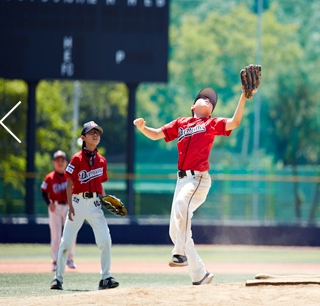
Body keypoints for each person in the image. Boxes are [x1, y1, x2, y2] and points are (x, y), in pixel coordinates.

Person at [133, 86, 255, 285]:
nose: (208, 100)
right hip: (181, 181)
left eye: (211, 101)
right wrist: (142, 128)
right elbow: (156, 134)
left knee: (182, 207)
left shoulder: (211, 123)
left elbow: (235, 122)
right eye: (204, 98)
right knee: (176, 230)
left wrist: (243, 96)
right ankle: (200, 274)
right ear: (193, 105)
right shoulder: (181, 123)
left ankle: (179, 253)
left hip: (198, 179)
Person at [50, 121, 119, 291]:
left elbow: (100, 184)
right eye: (91, 132)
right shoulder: (76, 158)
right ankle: (57, 279)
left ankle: (105, 278)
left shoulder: (102, 161)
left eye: (98, 132)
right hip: (78, 203)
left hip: (95, 204)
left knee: (105, 240)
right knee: (66, 242)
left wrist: (105, 199)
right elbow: (69, 183)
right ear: (83, 137)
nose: (95, 135)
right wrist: (70, 206)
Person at [40, 150, 77, 271]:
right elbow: (44, 192)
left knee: (71, 233)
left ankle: (69, 259)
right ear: (53, 162)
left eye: (62, 160)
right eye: (58, 160)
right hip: (55, 207)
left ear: (66, 162)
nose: (60, 163)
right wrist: (49, 204)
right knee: (55, 235)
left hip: (68, 206)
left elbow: (76, 191)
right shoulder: (50, 177)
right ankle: (55, 261)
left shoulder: (70, 176)